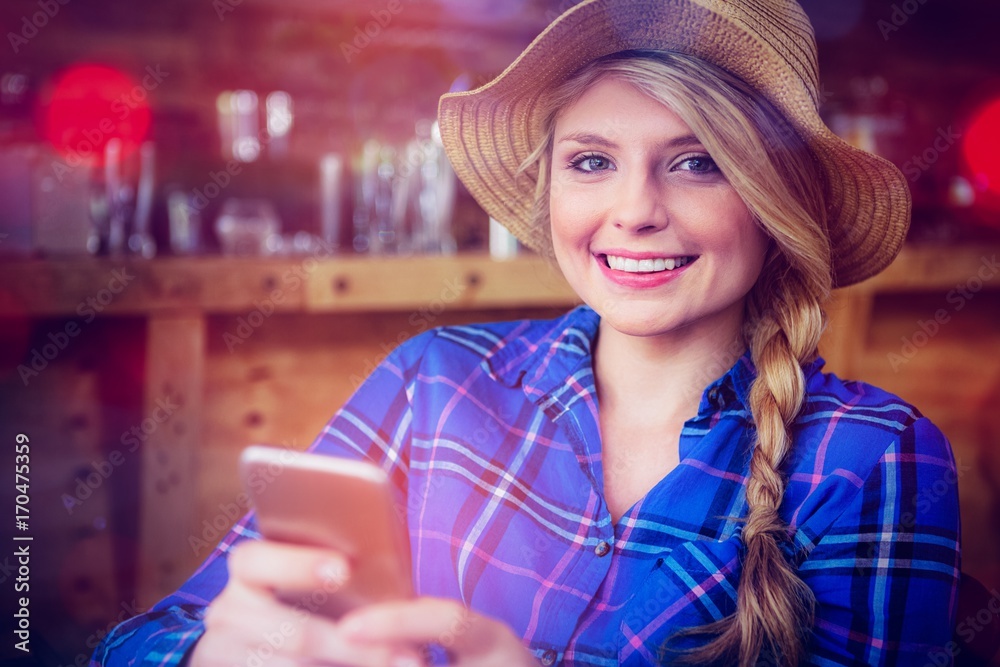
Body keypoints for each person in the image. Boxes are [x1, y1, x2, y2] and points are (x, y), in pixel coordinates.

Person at [94, 1, 961, 665]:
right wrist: (212, 649)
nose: (634, 211)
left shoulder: (870, 457)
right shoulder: (431, 380)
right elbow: (136, 642)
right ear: (549, 188)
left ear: (774, 202)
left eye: (698, 162)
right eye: (592, 161)